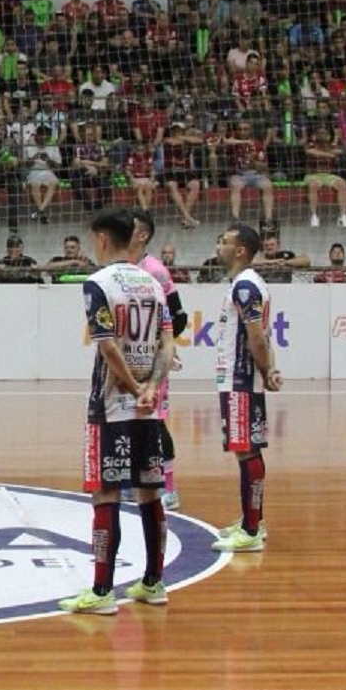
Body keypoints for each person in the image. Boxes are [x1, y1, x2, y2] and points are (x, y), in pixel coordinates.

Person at [58, 208, 176, 616]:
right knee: (150, 491)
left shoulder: (98, 283)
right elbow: (168, 345)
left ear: (103, 239)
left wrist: (129, 388)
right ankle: (154, 583)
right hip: (148, 407)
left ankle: (103, 590)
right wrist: (150, 389)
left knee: (105, 493)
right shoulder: (154, 283)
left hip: (111, 406)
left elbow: (107, 347)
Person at [208, 221, 282, 557]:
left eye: (223, 241)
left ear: (239, 250)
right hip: (241, 379)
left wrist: (267, 371)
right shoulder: (247, 284)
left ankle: (251, 530)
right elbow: (264, 334)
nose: (218, 246)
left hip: (240, 379)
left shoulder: (245, 287)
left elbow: (256, 336)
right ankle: (254, 520)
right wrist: (270, 369)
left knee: (246, 451)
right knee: (247, 449)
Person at [129, 207, 191, 509]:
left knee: (155, 422)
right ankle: (134, 479)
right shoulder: (121, 266)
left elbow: (179, 318)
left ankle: (169, 486)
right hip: (128, 359)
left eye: (131, 227)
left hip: (151, 360)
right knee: (129, 419)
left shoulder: (155, 270)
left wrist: (160, 345)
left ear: (142, 235)